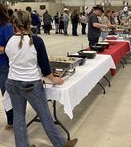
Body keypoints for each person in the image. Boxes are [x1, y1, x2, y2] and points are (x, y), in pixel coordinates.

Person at [5, 10, 78, 147]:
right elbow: (44, 66)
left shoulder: (10, 42)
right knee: (45, 115)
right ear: (30, 22)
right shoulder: (36, 41)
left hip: (12, 82)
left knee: (19, 116)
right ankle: (61, 144)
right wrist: (54, 79)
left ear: (13, 24)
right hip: (31, 84)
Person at [0, 3, 14, 130]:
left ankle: (11, 120)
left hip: (4, 65)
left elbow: (11, 47)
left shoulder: (7, 27)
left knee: (6, 94)